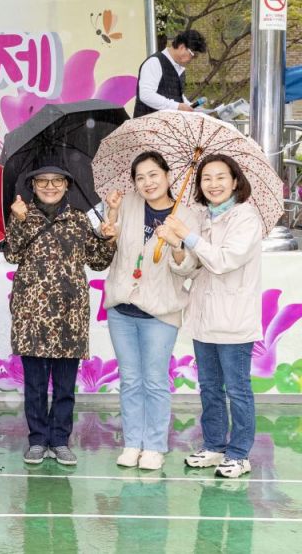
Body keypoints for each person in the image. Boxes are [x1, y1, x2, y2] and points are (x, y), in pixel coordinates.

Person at [156, 154, 263, 479]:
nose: (213, 184)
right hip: (203, 319)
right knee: (210, 388)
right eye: (206, 178)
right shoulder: (202, 218)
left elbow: (223, 260)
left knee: (237, 390)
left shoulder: (246, 218)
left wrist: (188, 236)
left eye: (220, 177)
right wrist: (177, 246)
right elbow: (190, 268)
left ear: (235, 181)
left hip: (233, 322)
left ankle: (239, 454)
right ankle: (215, 446)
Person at [4, 162, 116, 467]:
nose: (50, 186)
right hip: (31, 315)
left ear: (67, 186)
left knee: (65, 387)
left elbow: (97, 261)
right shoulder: (23, 215)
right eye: (43, 181)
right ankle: (37, 440)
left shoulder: (79, 219)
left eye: (57, 181)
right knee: (35, 386)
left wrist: (108, 238)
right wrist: (19, 222)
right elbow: (12, 254)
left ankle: (60, 440)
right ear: (33, 186)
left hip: (70, 315)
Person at [102, 151, 200, 471]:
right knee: (130, 380)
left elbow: (189, 269)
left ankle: (155, 446)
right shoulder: (127, 204)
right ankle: (132, 443)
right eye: (140, 178)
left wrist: (175, 243)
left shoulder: (185, 215)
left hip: (161, 312)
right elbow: (109, 240)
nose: (148, 182)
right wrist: (111, 212)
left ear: (168, 176)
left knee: (155, 381)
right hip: (122, 308)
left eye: (154, 175)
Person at [134, 29, 207, 117]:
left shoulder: (179, 68)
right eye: (193, 55)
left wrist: (190, 106)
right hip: (148, 122)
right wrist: (177, 106)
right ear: (182, 47)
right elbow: (146, 94)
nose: (192, 59)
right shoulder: (154, 62)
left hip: (165, 122)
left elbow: (176, 96)